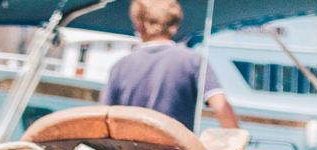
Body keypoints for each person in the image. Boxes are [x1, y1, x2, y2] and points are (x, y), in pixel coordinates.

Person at [100, 0, 237, 131]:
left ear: (140, 25)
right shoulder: (193, 61)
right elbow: (222, 107)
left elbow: (103, 117)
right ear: (174, 24)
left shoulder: (120, 67)